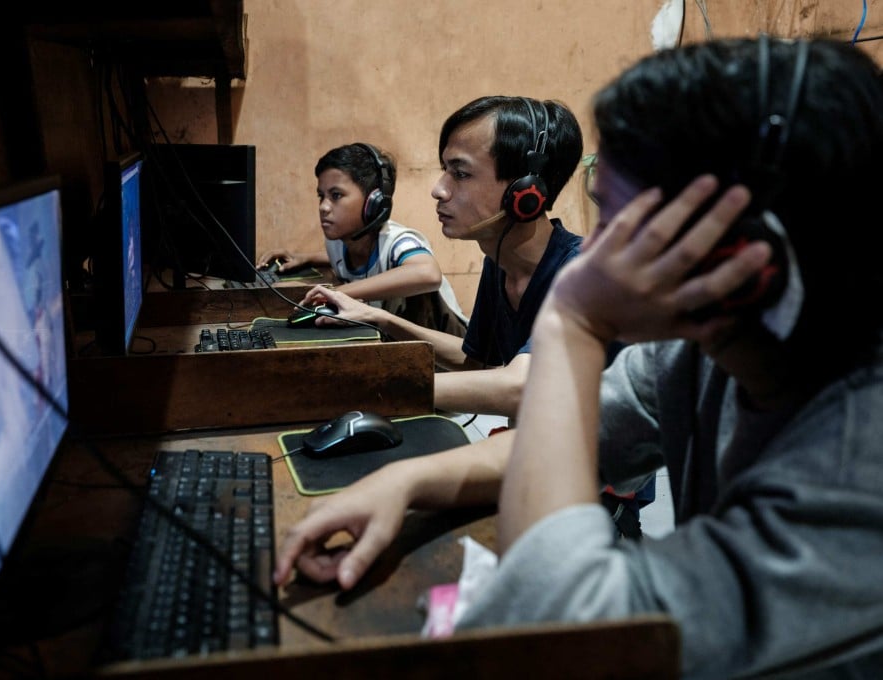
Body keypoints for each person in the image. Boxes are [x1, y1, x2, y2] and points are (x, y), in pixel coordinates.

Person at [274, 35, 883, 679]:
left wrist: (571, 321)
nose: (604, 249)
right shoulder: (696, 349)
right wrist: (405, 482)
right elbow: (559, 435)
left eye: (627, 223)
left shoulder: (857, 466)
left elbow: (555, 624)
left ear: (747, 254)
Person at [300, 96, 585, 420]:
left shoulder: (582, 273)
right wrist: (377, 318)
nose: (438, 189)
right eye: (445, 171)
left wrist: (371, 386)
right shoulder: (499, 265)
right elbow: (475, 362)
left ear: (525, 190)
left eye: (460, 174)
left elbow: (521, 386)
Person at [257, 142, 468, 337]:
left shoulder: (397, 241)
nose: (324, 206)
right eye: (321, 196)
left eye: (336, 195)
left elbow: (428, 274)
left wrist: (336, 293)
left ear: (373, 202)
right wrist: (305, 258)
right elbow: (358, 262)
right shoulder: (337, 244)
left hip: (451, 345)